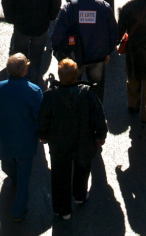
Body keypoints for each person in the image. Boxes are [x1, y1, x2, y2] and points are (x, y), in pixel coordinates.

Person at [37, 58, 107, 221]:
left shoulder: (50, 95)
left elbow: (43, 118)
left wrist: (43, 135)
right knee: (82, 167)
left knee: (60, 174)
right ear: (76, 76)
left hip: (59, 143)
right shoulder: (88, 93)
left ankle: (64, 210)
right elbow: (99, 116)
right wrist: (100, 135)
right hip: (83, 139)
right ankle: (80, 195)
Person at [0, 52, 43, 224]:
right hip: (25, 142)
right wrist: (42, 135)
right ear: (24, 70)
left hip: (5, 140)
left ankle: (13, 179)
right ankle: (18, 211)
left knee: (8, 167)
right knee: (24, 178)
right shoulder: (34, 91)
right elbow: (39, 117)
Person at [51, 0, 119, 102]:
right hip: (97, 57)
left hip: (73, 57)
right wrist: (108, 51)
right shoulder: (104, 7)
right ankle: (96, 114)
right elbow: (113, 33)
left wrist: (57, 52)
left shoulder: (69, 8)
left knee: (73, 89)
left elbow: (58, 34)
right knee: (96, 90)